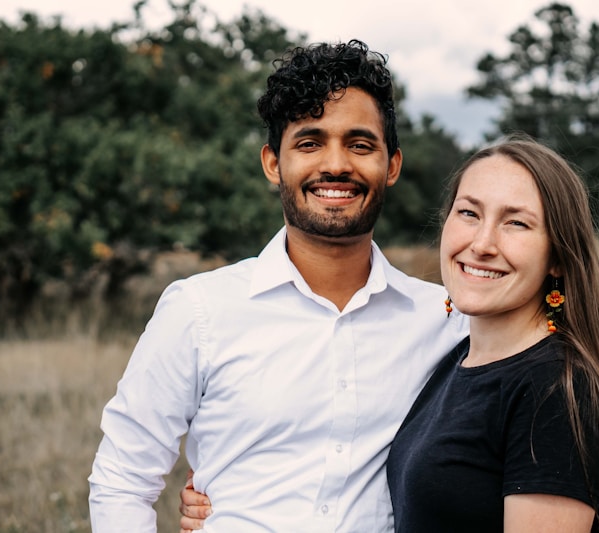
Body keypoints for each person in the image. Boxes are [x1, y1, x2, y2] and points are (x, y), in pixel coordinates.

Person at [88, 39, 468, 532]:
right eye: (310, 143)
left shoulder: (445, 320)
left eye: (360, 144)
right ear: (273, 163)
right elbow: (123, 478)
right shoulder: (199, 309)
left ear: (392, 165)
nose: (336, 165)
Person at [180, 136, 599, 532]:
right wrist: (232, 503)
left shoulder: (554, 389)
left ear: (558, 256)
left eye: (516, 222)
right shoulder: (455, 358)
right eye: (469, 213)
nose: (482, 243)